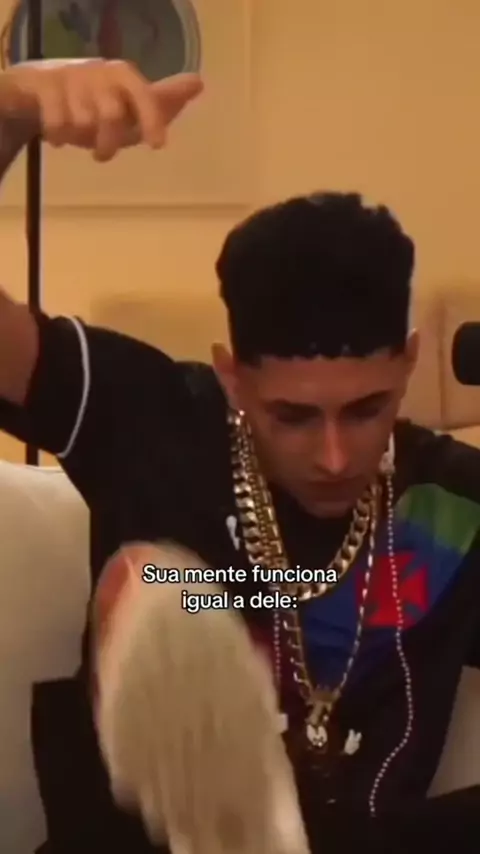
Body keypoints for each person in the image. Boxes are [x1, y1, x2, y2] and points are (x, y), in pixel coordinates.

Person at [0, 59, 480, 854]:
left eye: (366, 410)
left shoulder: (452, 505)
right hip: (140, 842)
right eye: (293, 416)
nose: (335, 456)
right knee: (168, 586)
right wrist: (11, 109)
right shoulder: (154, 416)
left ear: (409, 362)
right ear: (232, 376)